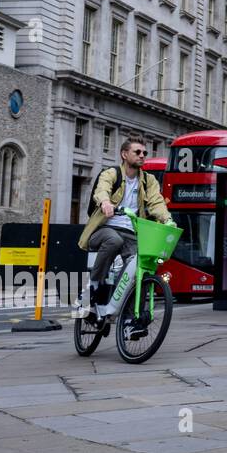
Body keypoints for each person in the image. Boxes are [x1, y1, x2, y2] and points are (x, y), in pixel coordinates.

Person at [78, 135, 174, 326]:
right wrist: (105, 202)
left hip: (132, 232)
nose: (142, 156)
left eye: (144, 153)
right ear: (124, 154)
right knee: (114, 241)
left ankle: (129, 318)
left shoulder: (148, 180)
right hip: (104, 228)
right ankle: (92, 288)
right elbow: (101, 189)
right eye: (137, 152)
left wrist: (168, 219)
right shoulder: (112, 173)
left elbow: (156, 202)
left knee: (141, 266)